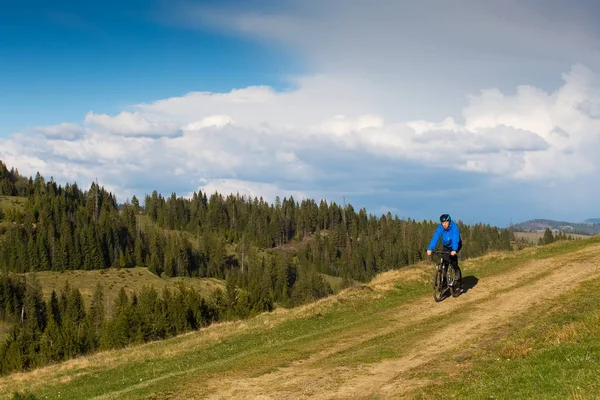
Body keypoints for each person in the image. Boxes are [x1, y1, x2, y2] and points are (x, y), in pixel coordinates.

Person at [427, 214, 462, 283]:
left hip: (456, 244)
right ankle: (443, 283)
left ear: (449, 221)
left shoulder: (454, 228)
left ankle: (456, 270)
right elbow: (435, 238)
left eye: (446, 222)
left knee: (453, 259)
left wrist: (454, 250)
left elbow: (455, 239)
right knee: (444, 263)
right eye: (443, 223)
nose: (444, 224)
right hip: (446, 246)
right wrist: (430, 248)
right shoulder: (440, 228)